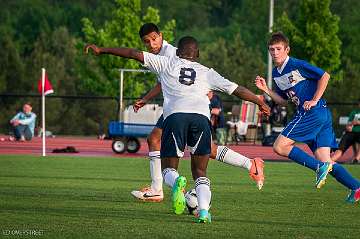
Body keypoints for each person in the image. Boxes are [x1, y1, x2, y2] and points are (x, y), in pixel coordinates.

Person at [85, 35, 270, 223]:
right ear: (197, 54)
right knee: (200, 172)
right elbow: (238, 89)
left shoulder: (166, 63)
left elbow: (133, 54)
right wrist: (259, 102)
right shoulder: (207, 72)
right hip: (201, 118)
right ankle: (204, 212)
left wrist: (102, 49)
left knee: (168, 169)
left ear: (178, 52)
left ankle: (175, 183)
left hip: (175, 117)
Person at [124, 23, 267, 202]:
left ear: (161, 36)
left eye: (154, 39)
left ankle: (160, 190)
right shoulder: (160, 54)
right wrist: (146, 98)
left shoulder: (171, 53)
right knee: (203, 148)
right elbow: (164, 82)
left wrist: (146, 98)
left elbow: (170, 79)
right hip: (188, 107)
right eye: (147, 42)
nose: (152, 44)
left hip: (182, 106)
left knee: (159, 140)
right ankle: (249, 164)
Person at [255, 32, 360, 203]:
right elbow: (283, 101)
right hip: (320, 114)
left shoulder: (296, 64)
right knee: (327, 161)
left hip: (312, 112)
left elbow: (325, 76)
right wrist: (266, 90)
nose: (275, 52)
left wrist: (314, 100)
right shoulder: (276, 73)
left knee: (279, 146)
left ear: (287, 49)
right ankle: (356, 187)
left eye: (278, 49)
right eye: (271, 49)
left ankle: (319, 168)